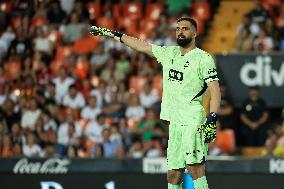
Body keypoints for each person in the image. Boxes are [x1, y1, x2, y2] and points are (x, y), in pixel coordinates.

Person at [89, 17, 221, 189]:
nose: (180, 31)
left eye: (185, 28)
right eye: (178, 28)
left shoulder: (203, 59)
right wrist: (115, 35)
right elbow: (142, 46)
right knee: (173, 174)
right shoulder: (169, 53)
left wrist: (212, 117)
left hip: (192, 120)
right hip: (175, 123)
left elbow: (215, 90)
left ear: (195, 33)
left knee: (195, 168)